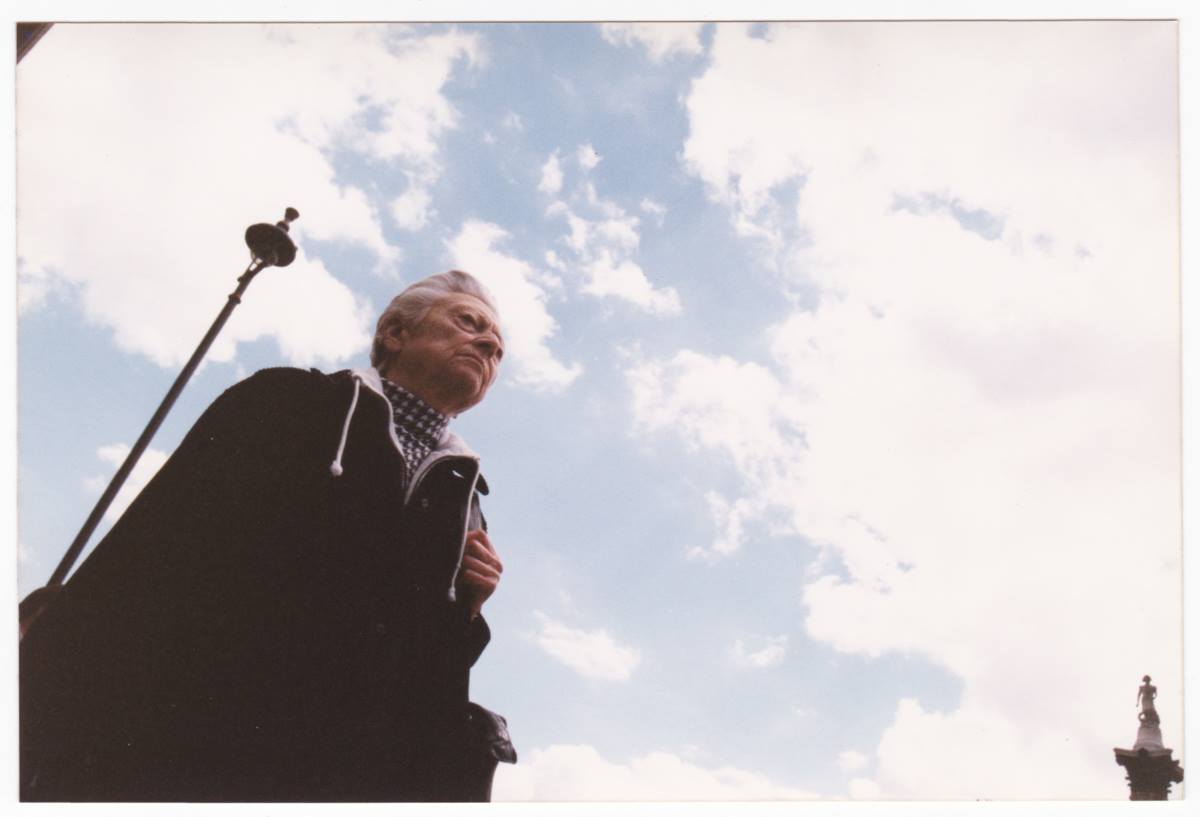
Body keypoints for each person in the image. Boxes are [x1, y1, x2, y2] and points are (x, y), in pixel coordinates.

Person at [20, 270, 515, 802]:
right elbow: (149, 552)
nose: (488, 345)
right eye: (469, 323)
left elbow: (423, 674)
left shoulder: (467, 503)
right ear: (395, 333)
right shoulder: (287, 399)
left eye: (497, 349)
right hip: (189, 742)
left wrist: (468, 611)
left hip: (331, 777)